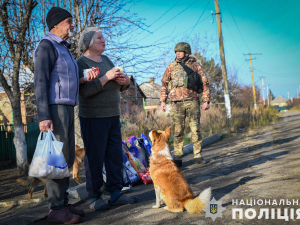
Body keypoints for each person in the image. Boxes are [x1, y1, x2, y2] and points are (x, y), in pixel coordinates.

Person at [34, 7, 97, 224]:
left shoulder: (64, 49)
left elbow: (65, 80)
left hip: (68, 107)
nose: (72, 25)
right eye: (69, 22)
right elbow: (40, 82)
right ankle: (55, 210)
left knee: (67, 157)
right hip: (54, 109)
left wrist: (83, 78)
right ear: (56, 24)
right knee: (56, 160)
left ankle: (63, 202)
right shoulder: (47, 46)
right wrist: (43, 115)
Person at [77, 27, 137, 211]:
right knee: (95, 158)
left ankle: (116, 192)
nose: (104, 40)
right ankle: (95, 197)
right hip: (93, 117)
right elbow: (84, 91)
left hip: (113, 115)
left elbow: (117, 87)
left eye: (103, 38)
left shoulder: (107, 60)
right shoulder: (80, 63)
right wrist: (106, 77)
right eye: (99, 38)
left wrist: (125, 82)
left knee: (114, 156)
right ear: (88, 42)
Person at [160, 42, 210, 168]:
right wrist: (162, 101)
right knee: (178, 131)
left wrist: (206, 100)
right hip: (176, 104)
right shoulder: (171, 67)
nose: (177, 53)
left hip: (192, 102)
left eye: (180, 51)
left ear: (186, 53)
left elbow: (205, 83)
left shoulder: (195, 65)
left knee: (195, 129)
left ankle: (198, 156)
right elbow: (164, 84)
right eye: (176, 51)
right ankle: (177, 158)